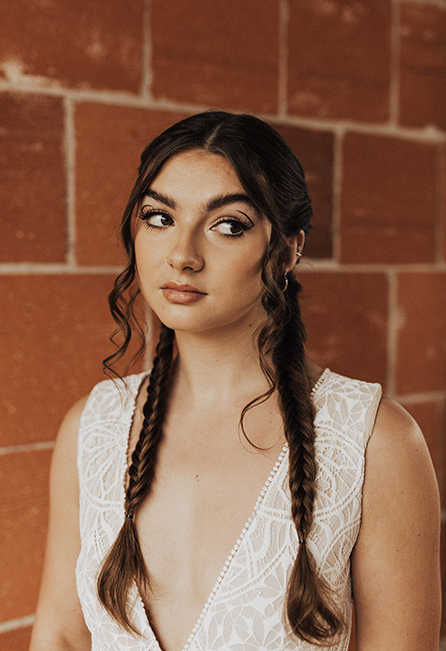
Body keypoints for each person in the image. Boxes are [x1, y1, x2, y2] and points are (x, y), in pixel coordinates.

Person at [30, 111, 441, 651]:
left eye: (229, 225)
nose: (182, 255)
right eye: (159, 217)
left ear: (289, 248)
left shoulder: (374, 442)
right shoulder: (94, 426)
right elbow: (60, 635)